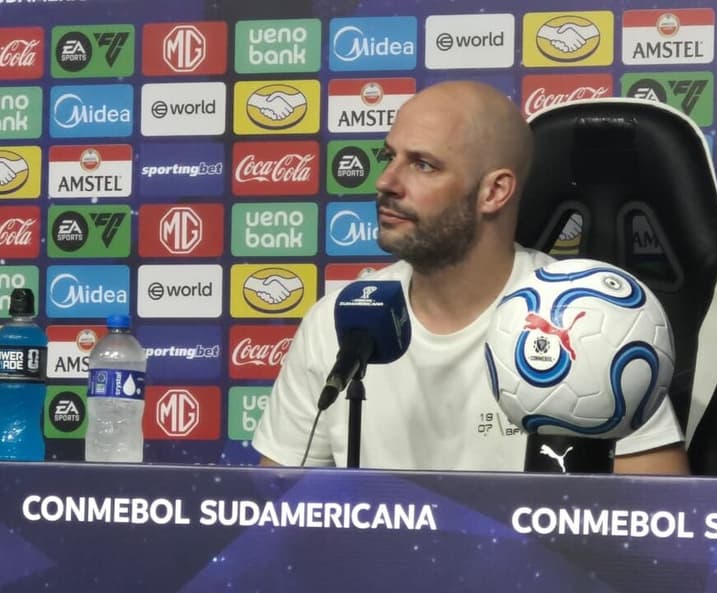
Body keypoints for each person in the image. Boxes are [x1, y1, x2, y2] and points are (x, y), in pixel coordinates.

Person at [252, 80, 689, 475]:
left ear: (494, 191)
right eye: (389, 157)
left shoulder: (589, 321)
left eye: (423, 165)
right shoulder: (341, 320)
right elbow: (278, 509)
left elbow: (654, 516)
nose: (386, 181)